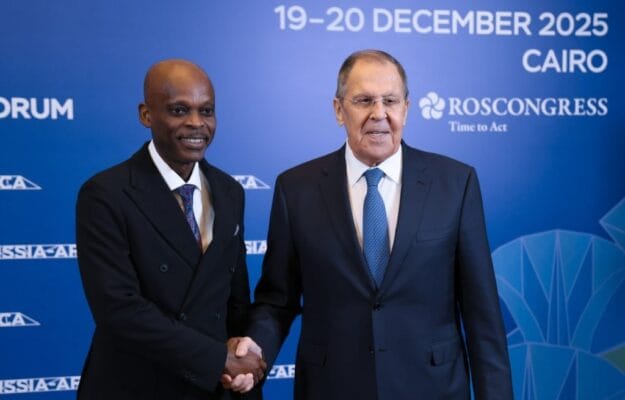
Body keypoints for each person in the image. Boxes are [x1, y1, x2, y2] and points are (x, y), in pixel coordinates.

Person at [235, 50, 513, 399]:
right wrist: (255, 349)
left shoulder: (456, 183)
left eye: (390, 101)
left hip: (433, 388)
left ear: (406, 109)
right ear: (339, 109)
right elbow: (277, 300)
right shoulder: (296, 189)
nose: (379, 114)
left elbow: (482, 315)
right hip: (331, 389)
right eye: (364, 100)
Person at [76, 59, 265, 400]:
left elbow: (234, 297)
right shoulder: (105, 193)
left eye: (206, 111)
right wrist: (217, 359)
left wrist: (242, 356)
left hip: (215, 386)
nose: (196, 123)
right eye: (179, 110)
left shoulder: (230, 191)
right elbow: (118, 310)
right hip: (137, 386)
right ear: (146, 115)